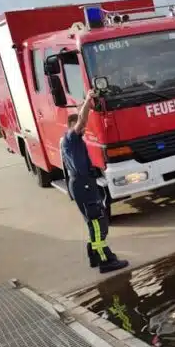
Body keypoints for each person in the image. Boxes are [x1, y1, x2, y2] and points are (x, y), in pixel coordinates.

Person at [61, 90, 129, 274]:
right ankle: (106, 260)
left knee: (93, 221)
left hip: (82, 184)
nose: (83, 129)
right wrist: (88, 102)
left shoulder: (69, 141)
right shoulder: (71, 138)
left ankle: (93, 255)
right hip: (83, 184)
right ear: (73, 126)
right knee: (98, 222)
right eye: (80, 127)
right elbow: (81, 120)